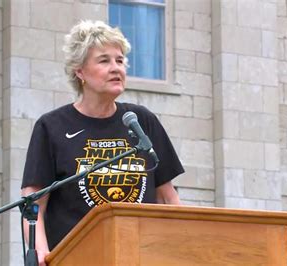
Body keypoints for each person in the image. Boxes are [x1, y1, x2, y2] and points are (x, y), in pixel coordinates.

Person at [21, 20, 184, 266]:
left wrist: (179, 248)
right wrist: (42, 254)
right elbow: (33, 205)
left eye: (120, 61)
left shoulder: (141, 121)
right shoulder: (52, 127)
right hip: (77, 259)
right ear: (80, 71)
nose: (115, 68)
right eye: (104, 60)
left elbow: (168, 199)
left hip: (142, 257)